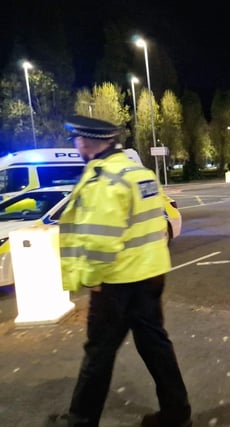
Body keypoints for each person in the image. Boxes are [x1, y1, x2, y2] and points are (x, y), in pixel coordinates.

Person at [46, 115, 192, 427]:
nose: (76, 144)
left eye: (77, 140)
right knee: (155, 346)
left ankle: (80, 421)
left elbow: (100, 238)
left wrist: (92, 279)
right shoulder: (140, 174)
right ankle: (176, 414)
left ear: (86, 142)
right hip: (150, 276)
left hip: (116, 282)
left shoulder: (105, 180)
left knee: (98, 353)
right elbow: (157, 224)